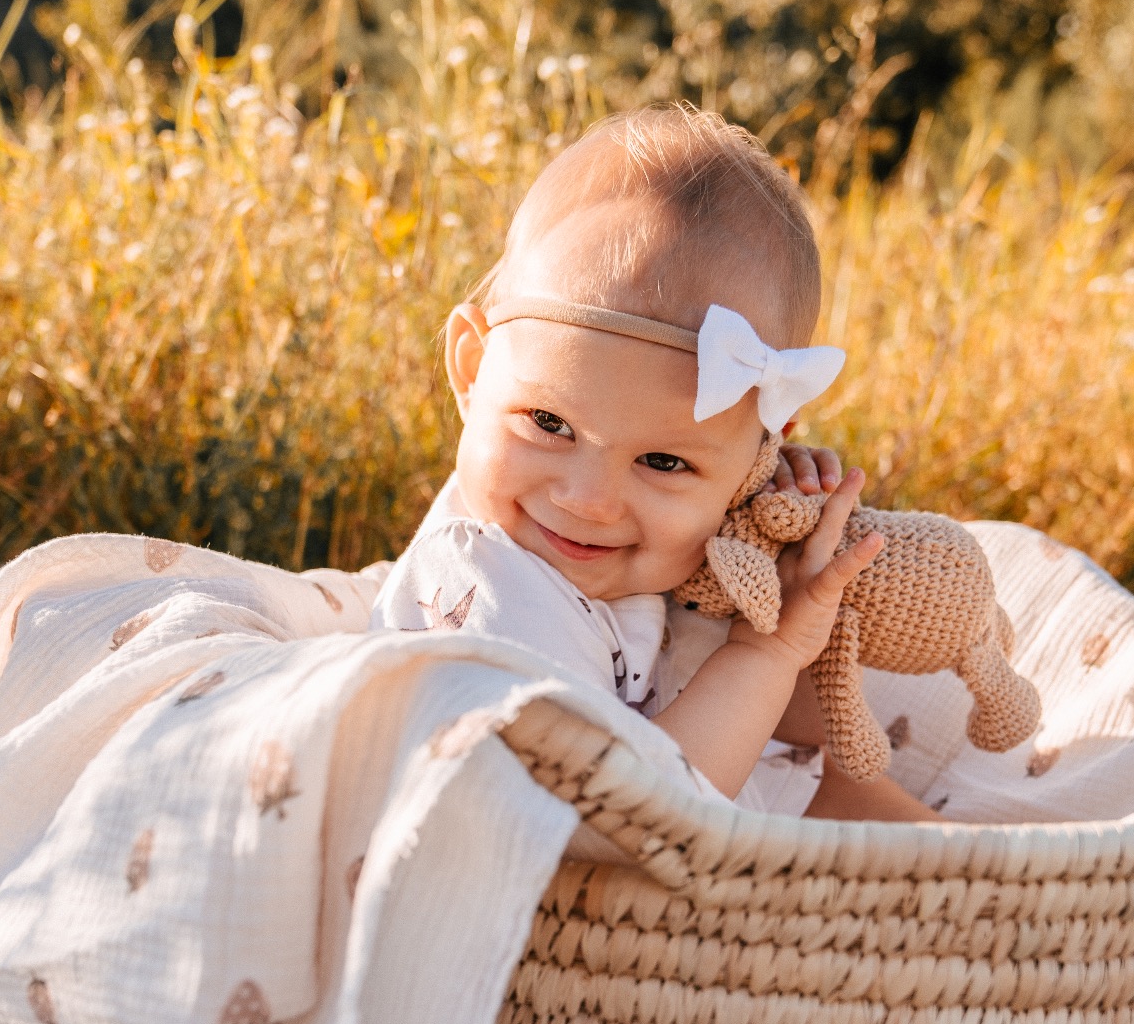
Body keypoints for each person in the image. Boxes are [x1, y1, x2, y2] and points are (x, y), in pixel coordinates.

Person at [371, 104, 939, 821]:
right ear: (474, 368)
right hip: (601, 883)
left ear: (756, 459)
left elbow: (800, 732)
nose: (588, 498)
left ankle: (1044, 899)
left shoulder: (687, 561)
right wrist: (766, 655)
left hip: (738, 816)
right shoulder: (482, 582)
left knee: (875, 802)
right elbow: (630, 822)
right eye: (549, 423)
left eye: (665, 461)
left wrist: (776, 574)